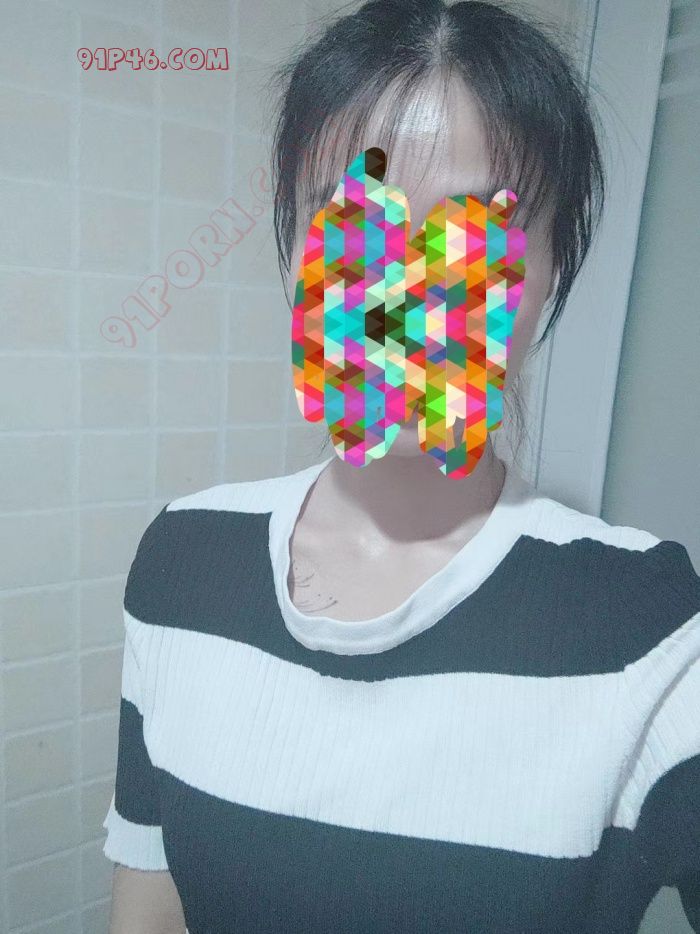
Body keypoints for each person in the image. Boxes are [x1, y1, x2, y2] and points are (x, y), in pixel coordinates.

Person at [103, 2, 700, 932]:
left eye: (475, 231)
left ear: (551, 272)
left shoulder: (651, 633)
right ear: (294, 251)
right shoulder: (182, 560)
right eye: (353, 222)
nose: (404, 293)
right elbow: (147, 907)